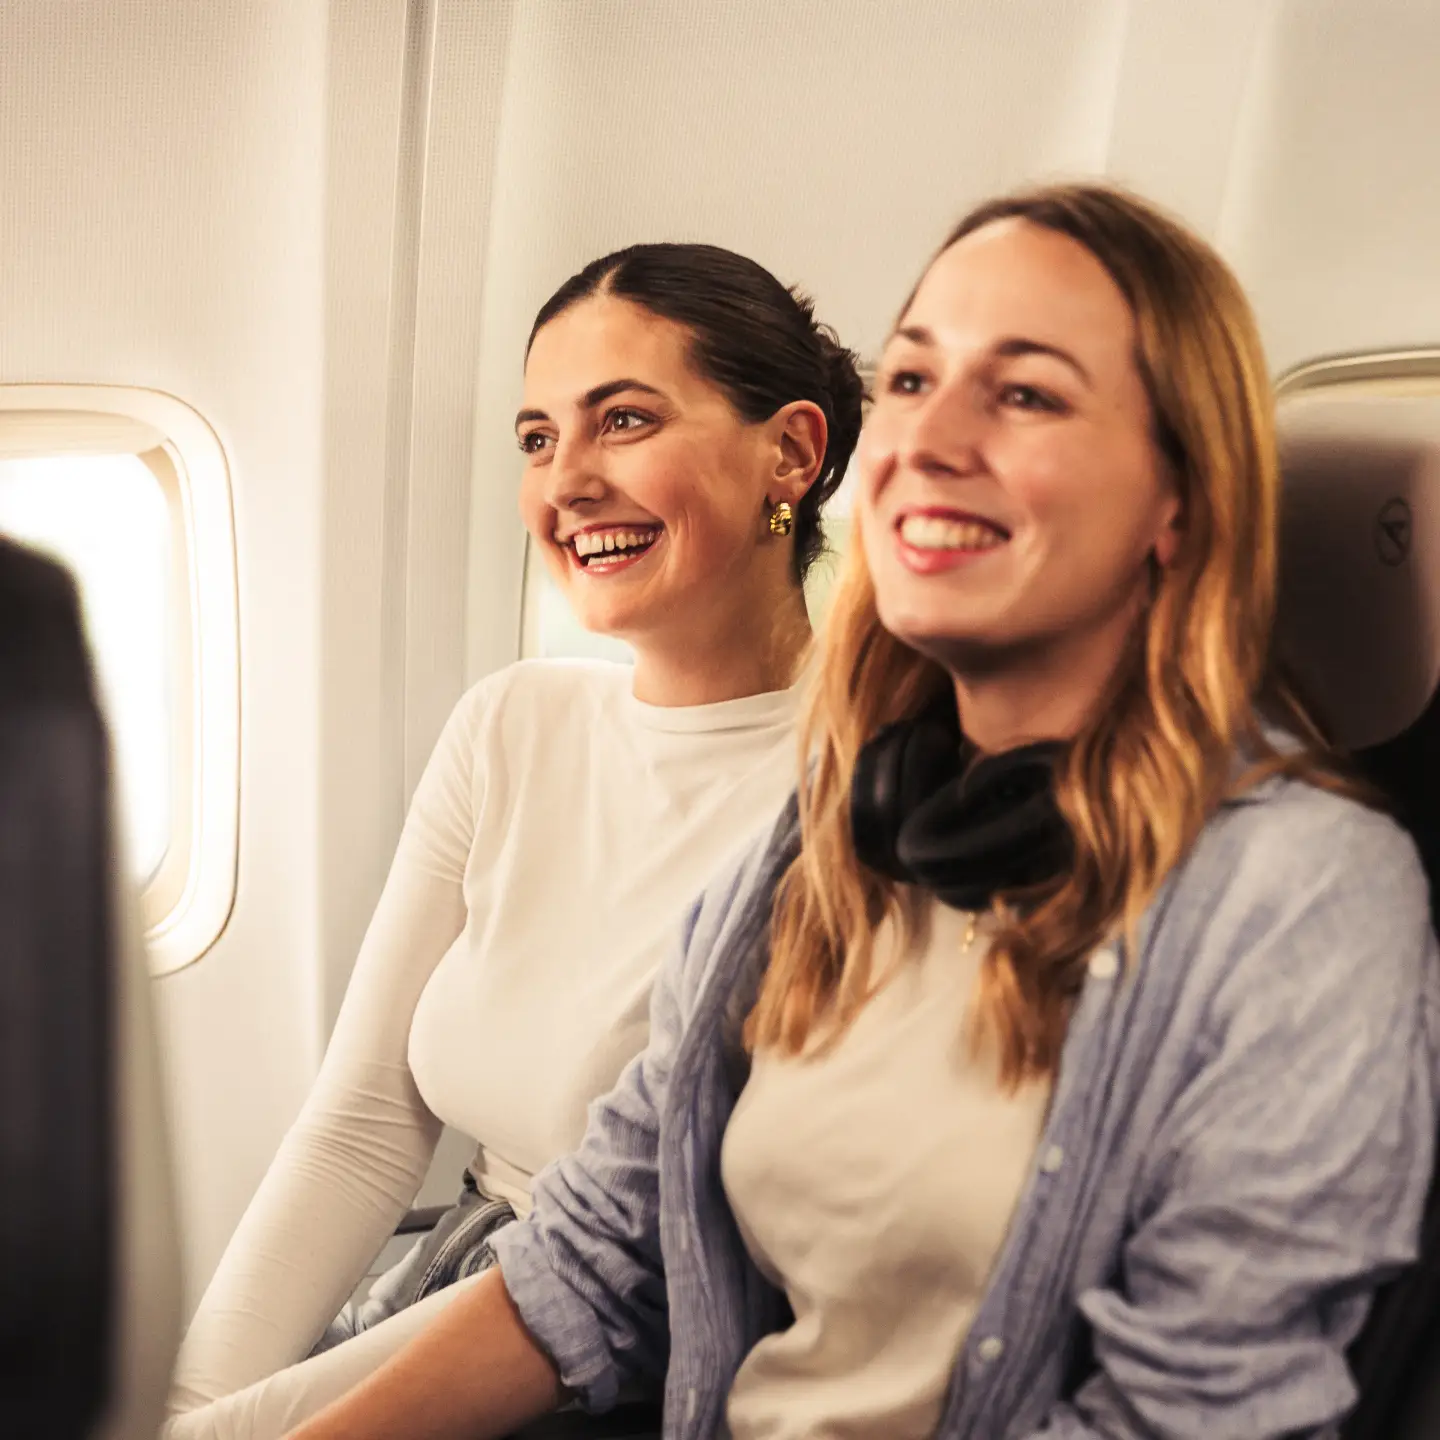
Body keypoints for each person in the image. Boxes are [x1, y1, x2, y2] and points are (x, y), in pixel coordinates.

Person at [281, 183, 1440, 1440]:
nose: (929, 441)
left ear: (1179, 496)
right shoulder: (843, 824)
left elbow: (1192, 1419)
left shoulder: (1302, 897)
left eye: (1028, 392)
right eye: (910, 384)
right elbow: (601, 1247)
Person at [161, 242, 865, 1440]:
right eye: (538, 439)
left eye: (624, 421)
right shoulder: (512, 721)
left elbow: (633, 1253)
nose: (567, 481)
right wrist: (197, 1404)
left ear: (790, 453)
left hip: (634, 1355)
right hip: (437, 1280)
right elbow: (364, 1121)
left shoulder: (860, 798)